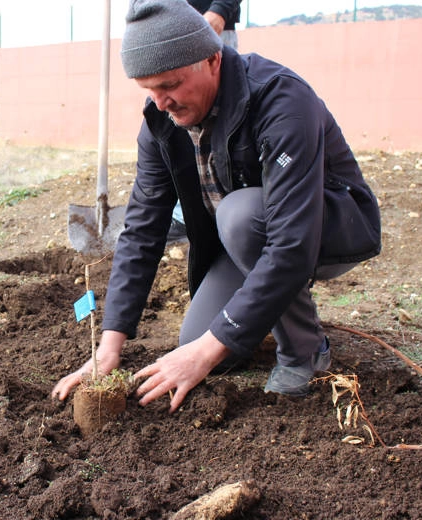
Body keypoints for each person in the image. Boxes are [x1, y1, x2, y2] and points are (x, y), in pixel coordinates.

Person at [52, 0, 381, 412]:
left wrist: (210, 349)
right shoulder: (160, 122)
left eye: (170, 85)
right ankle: (264, 311)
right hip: (251, 236)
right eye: (148, 89)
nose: (161, 102)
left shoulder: (281, 101)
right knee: (197, 341)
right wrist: (108, 347)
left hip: (329, 227)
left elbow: (292, 242)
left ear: (212, 59)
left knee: (239, 217)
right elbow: (142, 230)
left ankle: (304, 351)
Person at [168, 0, 242, 243]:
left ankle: (233, 222)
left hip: (210, 23)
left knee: (221, 129)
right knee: (177, 127)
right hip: (166, 31)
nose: (158, 102)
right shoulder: (157, 106)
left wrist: (221, 9)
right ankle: (184, 216)